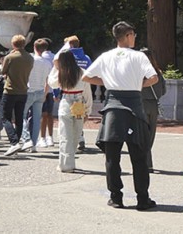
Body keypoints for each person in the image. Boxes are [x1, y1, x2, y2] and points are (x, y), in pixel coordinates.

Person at [82, 21, 158, 210]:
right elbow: (154, 77)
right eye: (133, 35)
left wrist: (107, 82)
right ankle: (142, 198)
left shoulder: (106, 56)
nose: (135, 38)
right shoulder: (139, 56)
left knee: (112, 157)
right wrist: (137, 85)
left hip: (113, 106)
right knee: (139, 155)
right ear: (127, 35)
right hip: (133, 105)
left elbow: (86, 77)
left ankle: (116, 197)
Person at [48, 50, 93, 172]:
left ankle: (65, 164)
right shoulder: (82, 72)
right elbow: (88, 93)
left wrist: (55, 67)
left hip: (66, 102)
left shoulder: (61, 73)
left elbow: (51, 83)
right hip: (79, 102)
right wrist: (88, 111)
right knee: (76, 134)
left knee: (65, 135)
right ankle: (70, 162)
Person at [0, 35, 34, 156]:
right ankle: (17, 142)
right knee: (19, 118)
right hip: (23, 90)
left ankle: (14, 142)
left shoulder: (10, 57)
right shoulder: (30, 58)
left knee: (5, 117)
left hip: (10, 90)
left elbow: (3, 71)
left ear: (13, 44)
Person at [21, 38, 52, 152]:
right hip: (40, 91)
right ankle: (33, 144)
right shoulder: (47, 63)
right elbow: (48, 80)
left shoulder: (30, 59)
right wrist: (45, 93)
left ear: (34, 47)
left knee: (22, 116)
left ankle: (26, 139)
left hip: (28, 90)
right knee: (36, 119)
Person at [140, 48, 166, 172]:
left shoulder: (139, 73)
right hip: (154, 105)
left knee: (141, 135)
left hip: (141, 104)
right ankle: (148, 162)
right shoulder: (158, 72)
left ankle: (145, 162)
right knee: (150, 135)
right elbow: (164, 90)